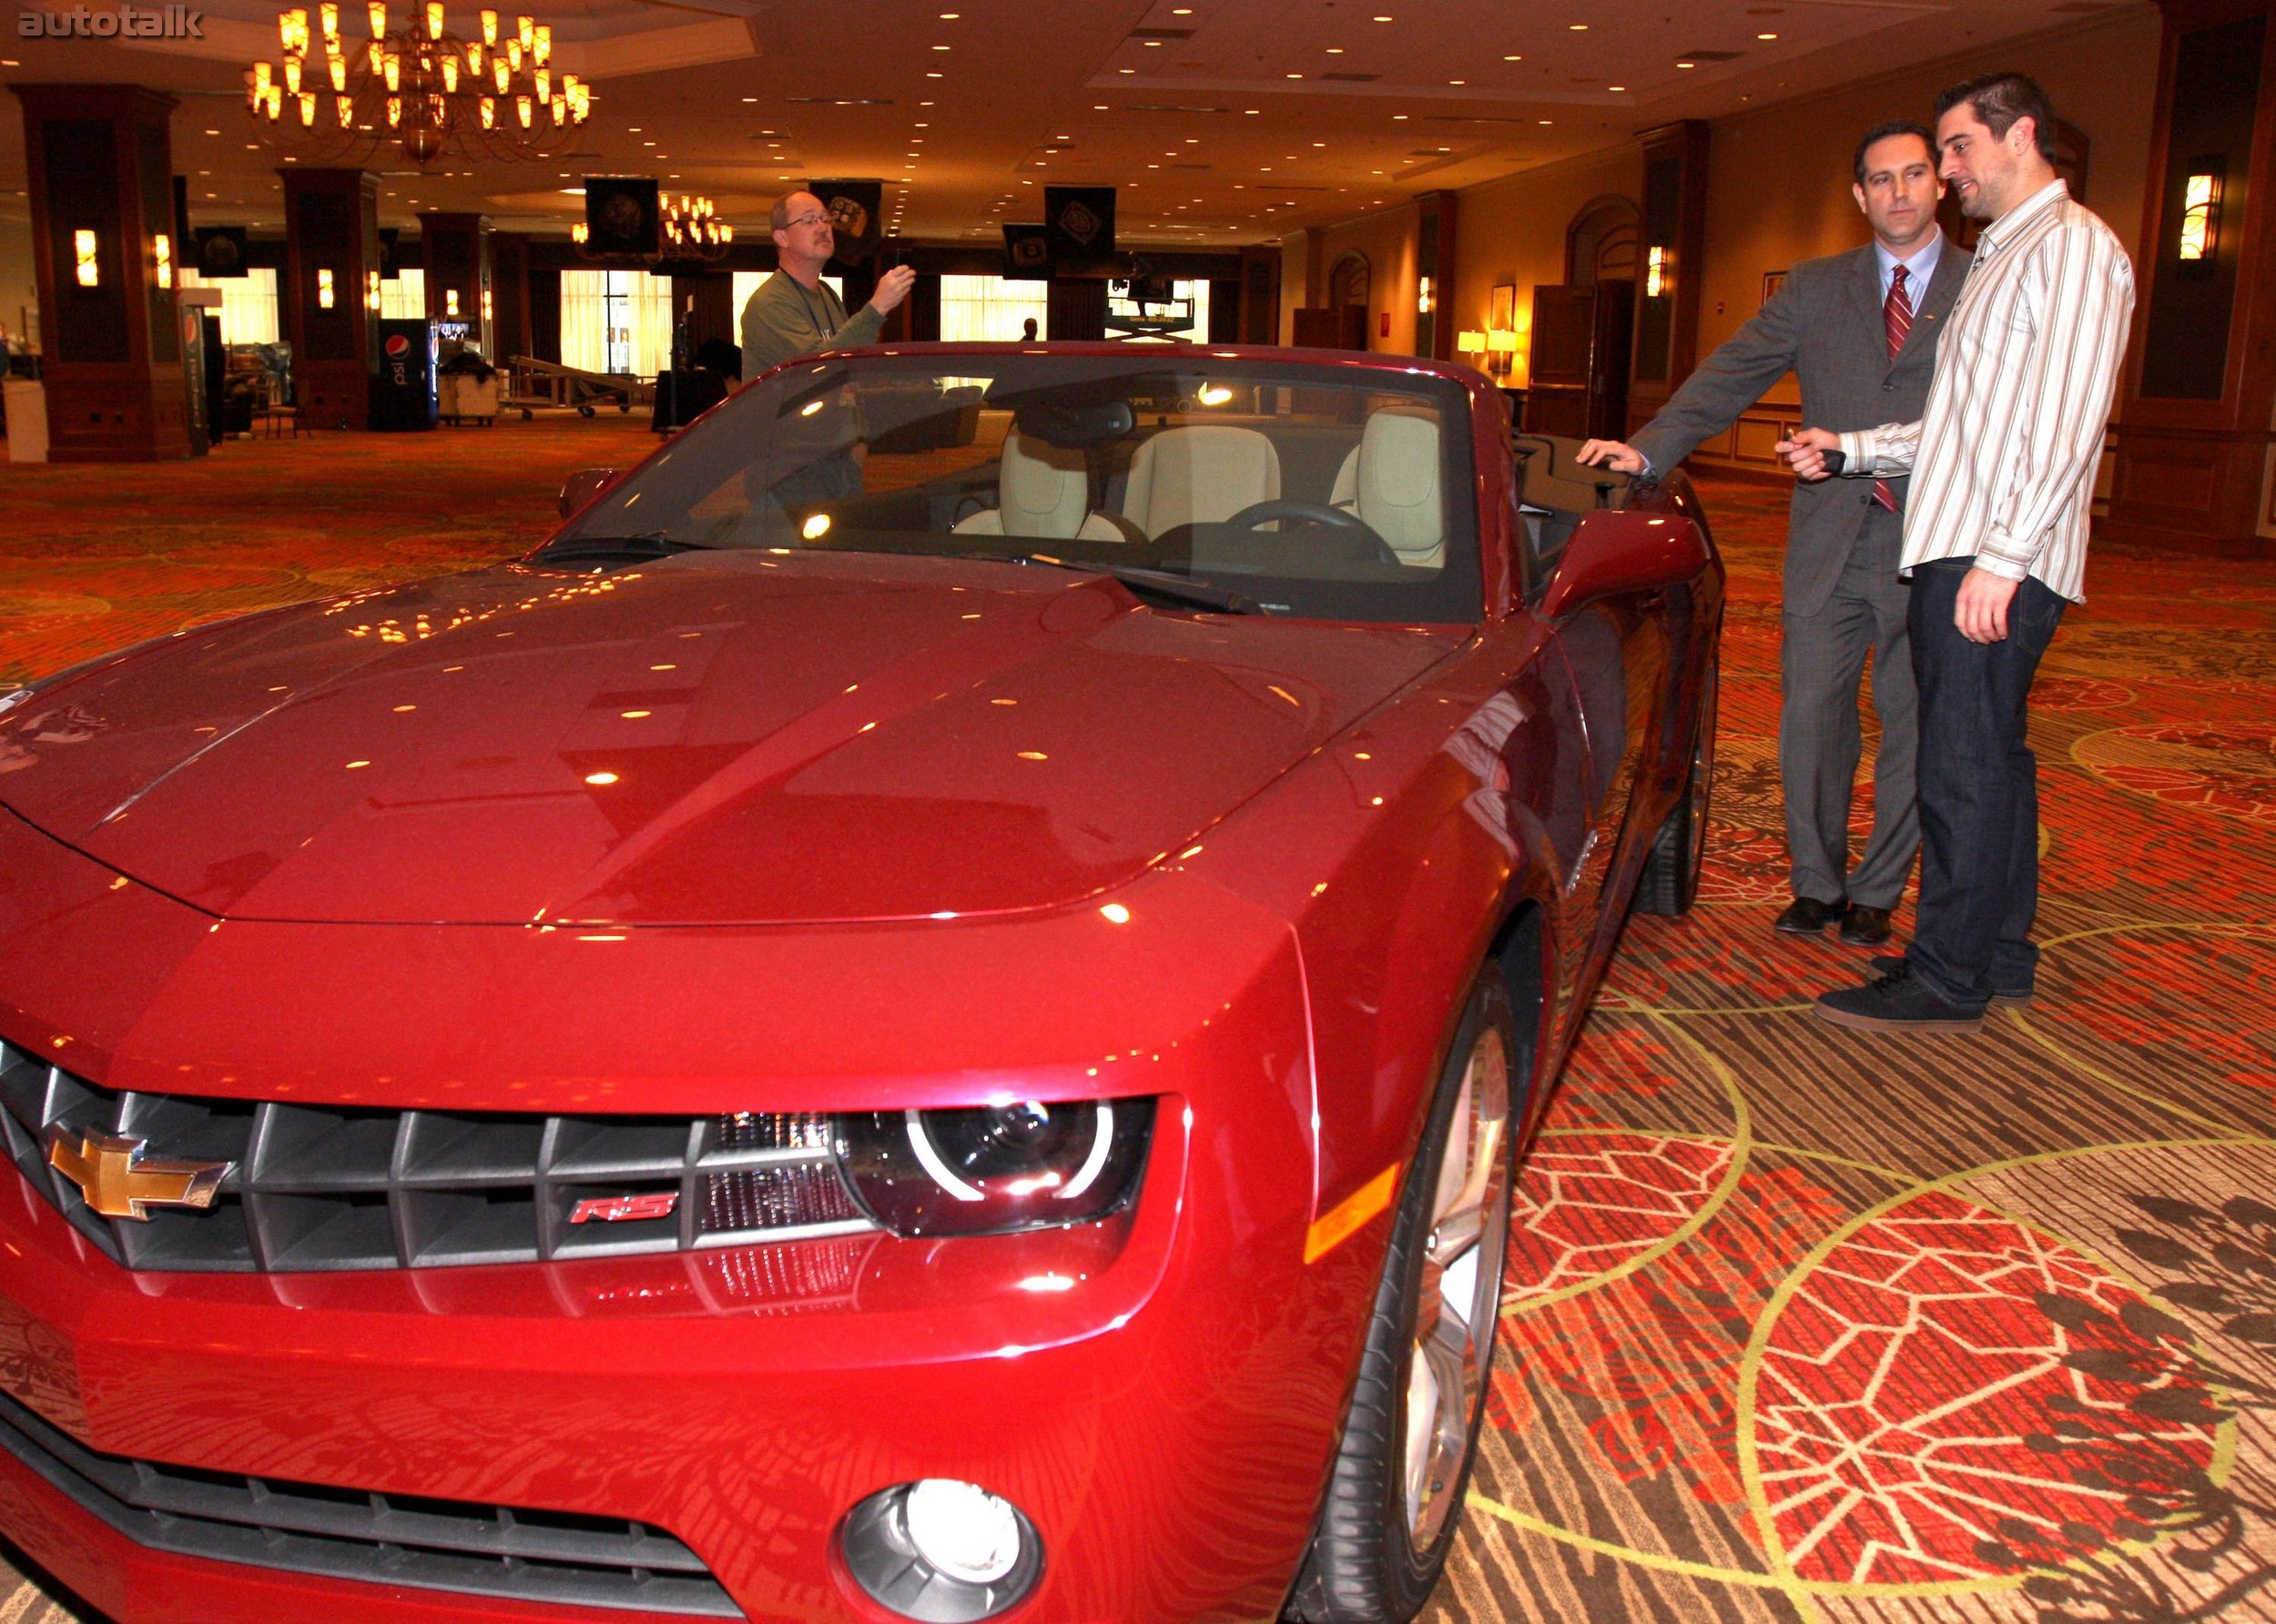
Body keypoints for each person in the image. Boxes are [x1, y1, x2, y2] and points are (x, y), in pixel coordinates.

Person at [1780, 73, 2135, 1031]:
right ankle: (1997, 950)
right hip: (1969, 546)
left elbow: (2065, 425)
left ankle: (1945, 975)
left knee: (1959, 766)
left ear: (2021, 135)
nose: (1946, 170)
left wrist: (2002, 559)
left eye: (1958, 147)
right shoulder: (2008, 253)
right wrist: (1853, 449)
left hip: (1988, 556)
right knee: (1995, 761)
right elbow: (1964, 421)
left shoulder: (2068, 248)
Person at [1579, 120, 1966, 948]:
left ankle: (1879, 890)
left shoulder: (1985, 284)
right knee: (1812, 719)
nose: (1899, 192)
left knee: (1916, 723)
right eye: (1881, 179)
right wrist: (1649, 448)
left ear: (1939, 185)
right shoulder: (1817, 287)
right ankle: (1817, 885)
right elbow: (1734, 371)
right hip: (1831, 539)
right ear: (1860, 195)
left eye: (1914, 174)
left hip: (1937, 540)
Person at [739, 190, 917, 377]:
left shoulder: (826, 293)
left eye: (825, 219)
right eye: (809, 220)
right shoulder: (769, 303)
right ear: (782, 238)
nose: (822, 227)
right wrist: (878, 307)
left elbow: (849, 363)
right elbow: (817, 368)